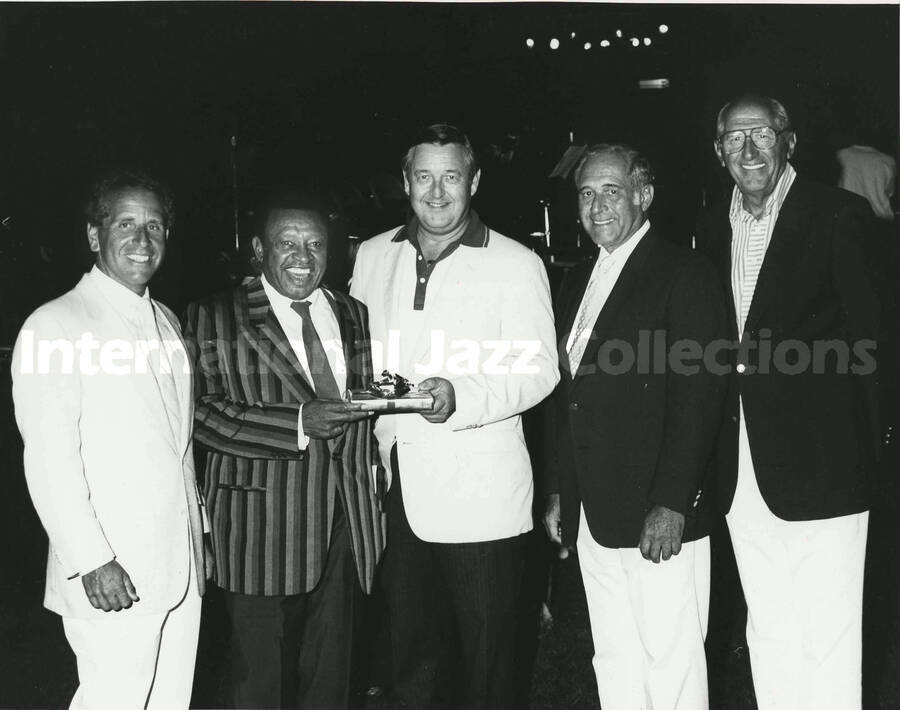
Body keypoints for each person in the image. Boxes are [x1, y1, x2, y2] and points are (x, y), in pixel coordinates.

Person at [350, 123, 559, 709]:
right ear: (405, 182)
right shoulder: (371, 255)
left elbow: (540, 369)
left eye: (451, 176)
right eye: (423, 176)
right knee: (412, 659)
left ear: (474, 180)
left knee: (488, 664)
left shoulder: (516, 262)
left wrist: (460, 395)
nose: (436, 192)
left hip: (482, 498)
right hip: (398, 493)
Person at [696, 94, 894, 710]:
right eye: (734, 138)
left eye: (761, 134)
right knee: (768, 625)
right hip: (744, 466)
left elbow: (876, 343)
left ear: (789, 140)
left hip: (828, 465)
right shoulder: (707, 225)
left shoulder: (840, 214)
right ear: (718, 150)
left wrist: (878, 453)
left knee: (829, 633)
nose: (749, 150)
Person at [10, 170, 210, 710]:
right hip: (113, 570)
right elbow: (50, 462)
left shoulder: (166, 321)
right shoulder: (56, 325)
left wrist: (199, 540)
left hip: (179, 567)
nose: (143, 241)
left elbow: (177, 448)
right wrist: (92, 559)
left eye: (155, 226)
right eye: (126, 224)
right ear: (95, 236)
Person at [182, 191, 385, 709]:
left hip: (346, 521)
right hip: (260, 525)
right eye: (287, 243)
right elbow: (197, 412)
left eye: (315, 244)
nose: (303, 256)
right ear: (259, 249)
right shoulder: (215, 315)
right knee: (262, 682)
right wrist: (297, 422)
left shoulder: (353, 314)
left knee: (331, 677)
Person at [542, 144, 728, 709]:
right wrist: (560, 492)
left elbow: (700, 399)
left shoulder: (684, 272)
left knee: (670, 660)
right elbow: (571, 399)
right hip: (598, 511)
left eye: (612, 191)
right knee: (615, 655)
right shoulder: (578, 281)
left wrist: (672, 502)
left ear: (644, 196)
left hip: (658, 511)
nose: (597, 206)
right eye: (586, 193)